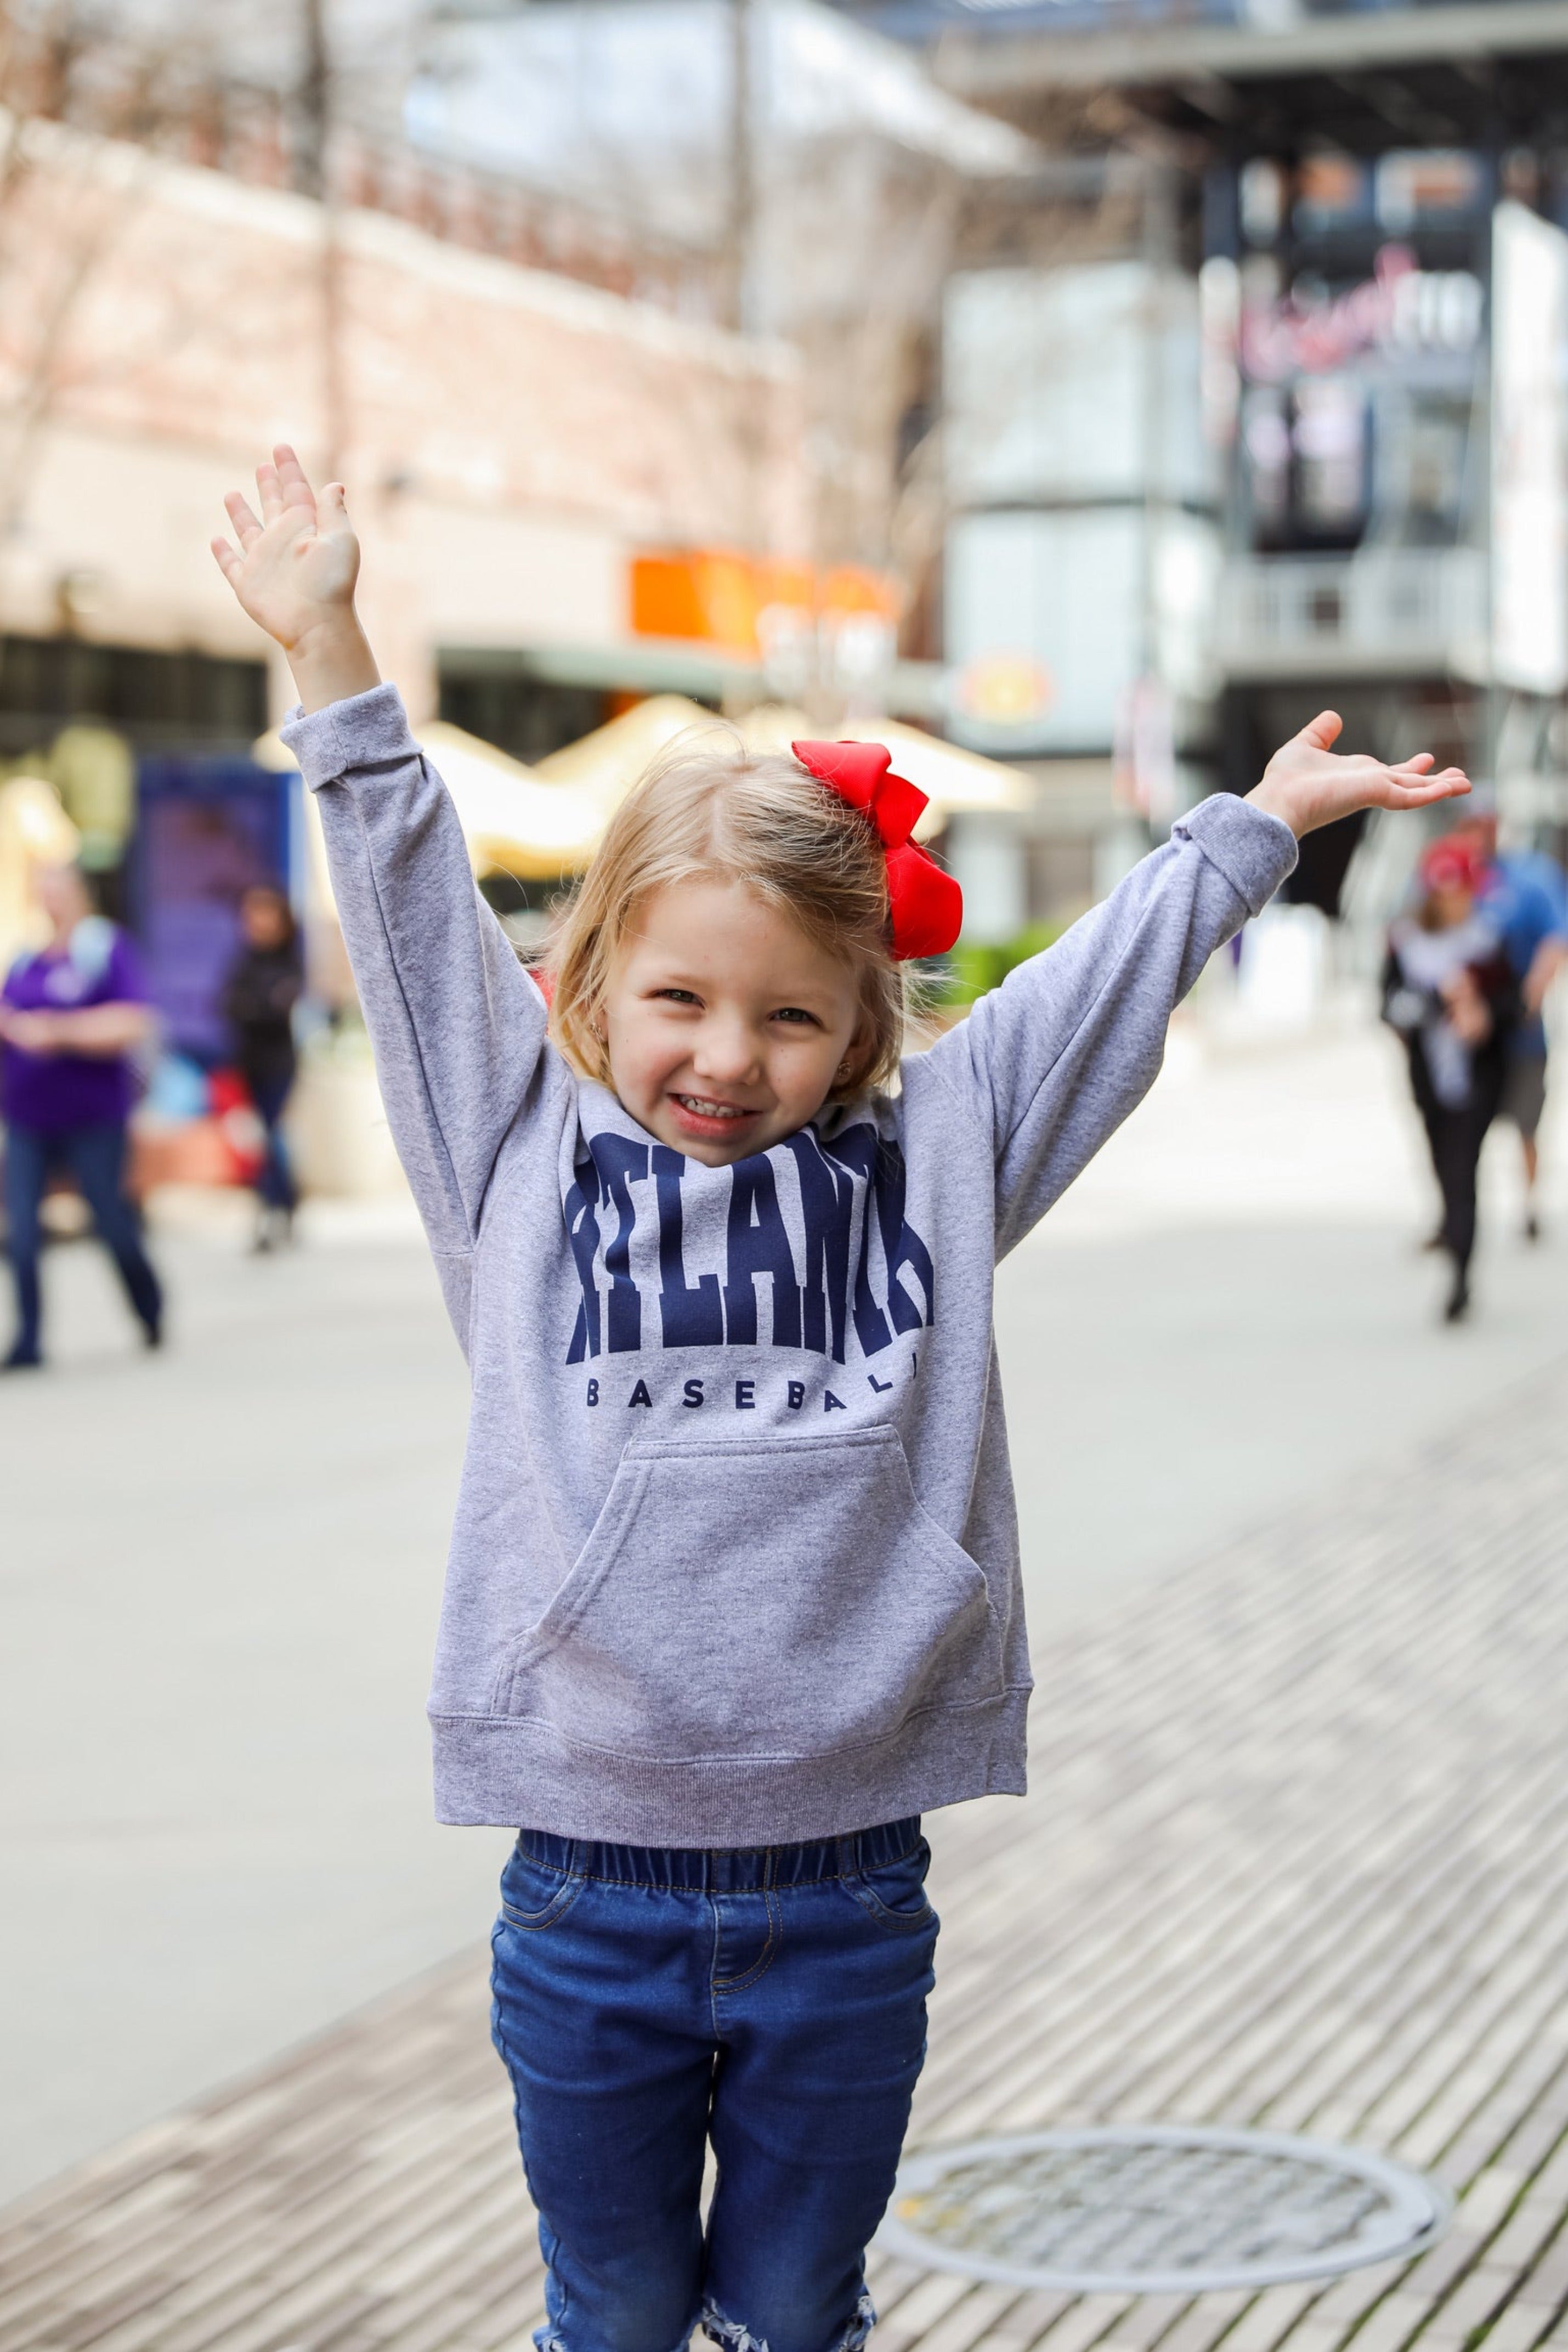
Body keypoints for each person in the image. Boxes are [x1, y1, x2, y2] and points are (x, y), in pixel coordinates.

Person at [211, 446, 1468, 2352]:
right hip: (585, 1890)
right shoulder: (509, 1148)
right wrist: (329, 646)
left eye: (790, 1015)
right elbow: (397, 892)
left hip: (851, 1889)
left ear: (862, 1022)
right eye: (680, 1004)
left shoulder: (937, 1151)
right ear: (588, 985)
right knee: (613, 2316)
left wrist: (1250, 830)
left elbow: (1095, 994)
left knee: (798, 2314)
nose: (726, 1055)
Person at [0, 861, 164, 1368]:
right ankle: (28, 1339)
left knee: (110, 1220)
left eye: (58, 889)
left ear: (78, 894)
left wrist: (57, 1032)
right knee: (22, 1233)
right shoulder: (27, 961)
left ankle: (148, 1308)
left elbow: (133, 1020)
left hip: (92, 1118)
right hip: (28, 1118)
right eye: (42, 890)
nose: (50, 899)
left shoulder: (102, 949)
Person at [1382, 836, 1516, 1323]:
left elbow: (1512, 1005)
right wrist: (1436, 1004)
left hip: (1478, 1080)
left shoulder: (1487, 942)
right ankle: (1450, 1230)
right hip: (1428, 1079)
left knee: (1463, 1173)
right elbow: (1387, 1005)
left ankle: (1460, 1276)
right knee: (1441, 1167)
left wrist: (1480, 1014)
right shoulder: (1407, 943)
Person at [1460, 818, 1568, 1241]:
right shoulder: (1459, 875)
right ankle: (1461, 1210)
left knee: (1526, 1124)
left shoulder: (1530, 876)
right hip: (1473, 1031)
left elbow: (1555, 939)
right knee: (1467, 1129)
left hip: (1518, 1026)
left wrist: (1532, 997)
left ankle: (1528, 1205)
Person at [222, 881, 304, 1251]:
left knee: (271, 1136)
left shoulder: (288, 962)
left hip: (279, 1064)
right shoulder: (245, 960)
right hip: (249, 1062)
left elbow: (274, 1010)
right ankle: (283, 1201)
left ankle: (274, 1208)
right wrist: (256, 1008)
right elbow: (230, 1005)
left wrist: (254, 1009)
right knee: (261, 1138)